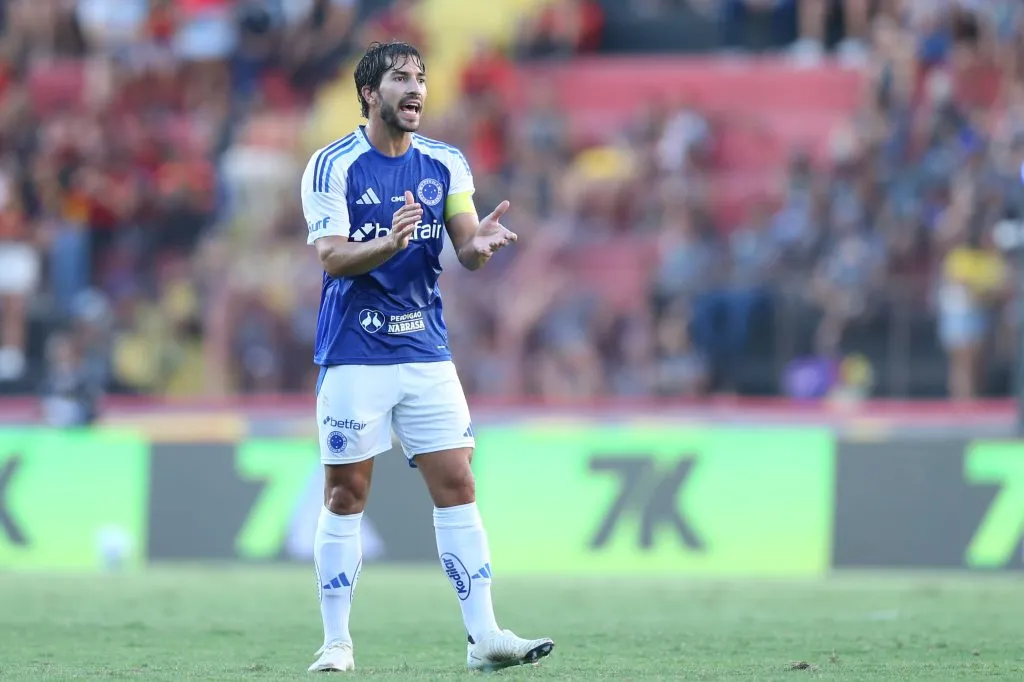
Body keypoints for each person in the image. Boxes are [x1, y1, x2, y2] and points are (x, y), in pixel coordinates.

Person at [298, 41, 555, 673]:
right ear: (369, 93)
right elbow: (331, 256)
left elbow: (463, 247)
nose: (415, 90)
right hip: (355, 351)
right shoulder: (333, 166)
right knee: (344, 495)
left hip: (424, 349)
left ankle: (485, 636)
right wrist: (389, 242)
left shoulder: (445, 164)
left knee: (459, 483)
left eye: (421, 79)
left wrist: (481, 245)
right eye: (400, 79)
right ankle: (336, 642)